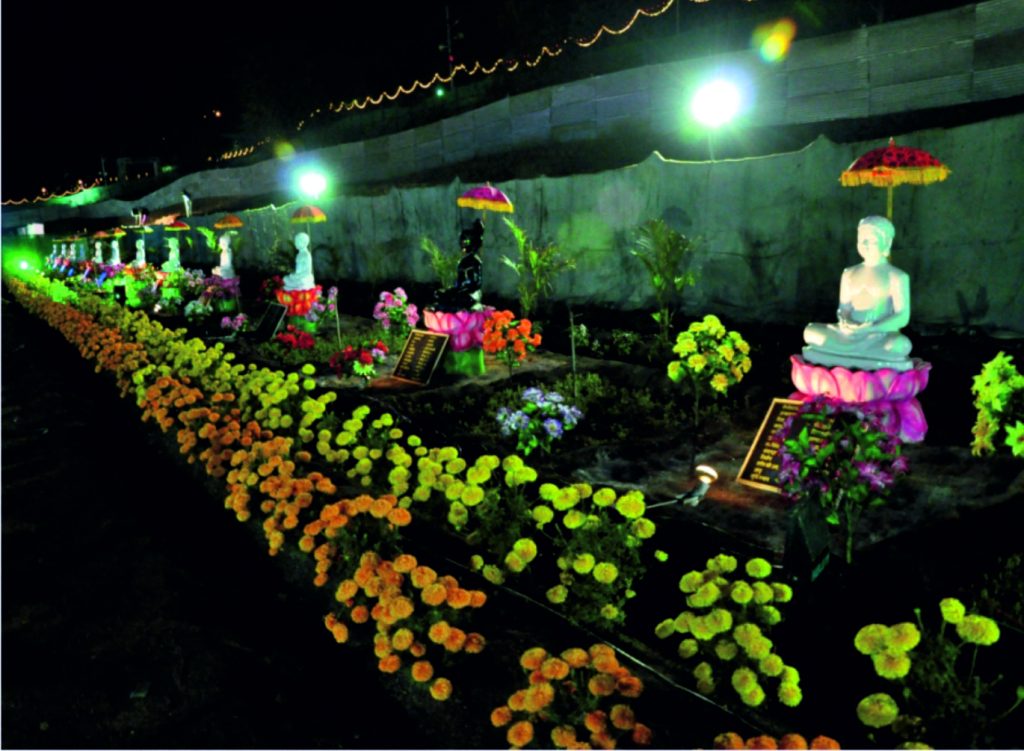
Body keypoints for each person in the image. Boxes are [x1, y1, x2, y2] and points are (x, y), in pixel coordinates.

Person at [802, 215, 913, 372]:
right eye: (862, 240)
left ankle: (845, 357)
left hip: (877, 336)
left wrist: (871, 328)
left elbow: (902, 317)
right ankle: (858, 356)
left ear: (886, 242)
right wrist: (846, 321)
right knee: (810, 332)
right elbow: (844, 309)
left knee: (901, 345)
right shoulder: (849, 273)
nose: (865, 244)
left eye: (871, 240)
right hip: (847, 334)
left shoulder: (896, 276)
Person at [432, 219, 484, 312]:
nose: (462, 246)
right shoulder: (463, 262)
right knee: (439, 294)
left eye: (465, 243)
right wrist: (452, 290)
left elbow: (475, 283)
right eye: (462, 242)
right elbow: (458, 283)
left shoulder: (474, 261)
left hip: (471, 294)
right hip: (460, 292)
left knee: (460, 299)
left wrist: (462, 289)